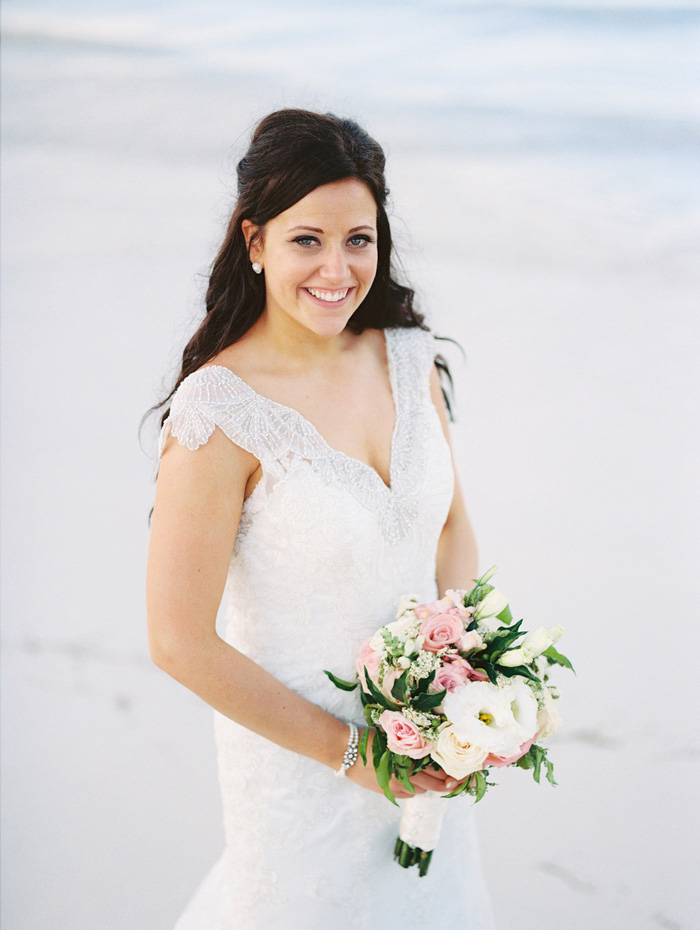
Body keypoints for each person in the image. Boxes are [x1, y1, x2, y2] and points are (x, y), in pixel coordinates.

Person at [146, 108, 495, 930]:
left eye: (359, 239)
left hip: (427, 761)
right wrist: (355, 756)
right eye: (308, 239)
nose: (337, 269)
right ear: (255, 241)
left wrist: (465, 680)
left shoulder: (410, 359)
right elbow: (177, 641)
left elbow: (450, 532)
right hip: (302, 780)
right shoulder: (219, 411)